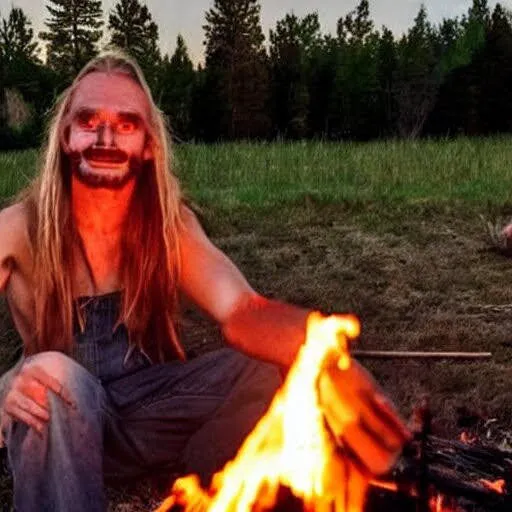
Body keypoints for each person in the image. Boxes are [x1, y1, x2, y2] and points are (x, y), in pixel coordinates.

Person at [0, 51, 410, 512]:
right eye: (89, 120)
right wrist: (3, 388)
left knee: (273, 366)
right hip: (63, 423)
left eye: (127, 124)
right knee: (50, 377)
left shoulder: (168, 227)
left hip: (153, 410)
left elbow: (241, 312)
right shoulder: (17, 229)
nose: (106, 136)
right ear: (65, 136)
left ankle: (206, 483)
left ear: (150, 145)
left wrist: (331, 361)